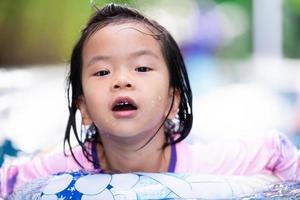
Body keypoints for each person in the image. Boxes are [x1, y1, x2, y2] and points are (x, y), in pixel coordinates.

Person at [1, 3, 299, 198]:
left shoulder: (204, 161)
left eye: (142, 68)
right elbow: (11, 180)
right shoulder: (69, 163)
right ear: (84, 109)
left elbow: (276, 150)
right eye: (102, 71)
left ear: (172, 102)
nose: (121, 80)